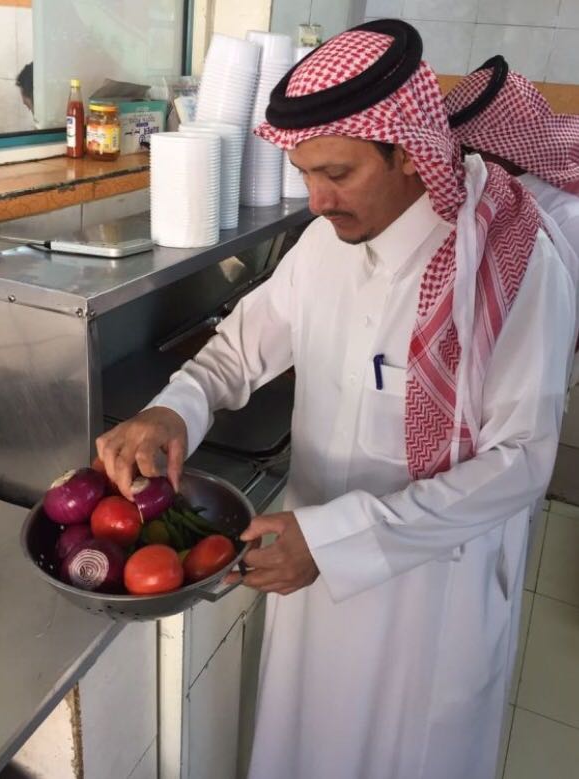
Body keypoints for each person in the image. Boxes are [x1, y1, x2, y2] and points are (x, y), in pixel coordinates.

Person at [96, 20, 576, 779]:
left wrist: (334, 543)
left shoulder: (511, 264)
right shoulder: (326, 244)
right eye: (305, 173)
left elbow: (520, 462)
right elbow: (238, 350)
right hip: (313, 576)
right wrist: (173, 407)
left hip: (431, 596)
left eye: (338, 173)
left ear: (409, 153)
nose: (317, 199)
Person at [444, 56, 579, 385]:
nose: (459, 161)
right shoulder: (491, 190)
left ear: (501, 147)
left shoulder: (568, 215)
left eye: (466, 151)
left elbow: (565, 320)